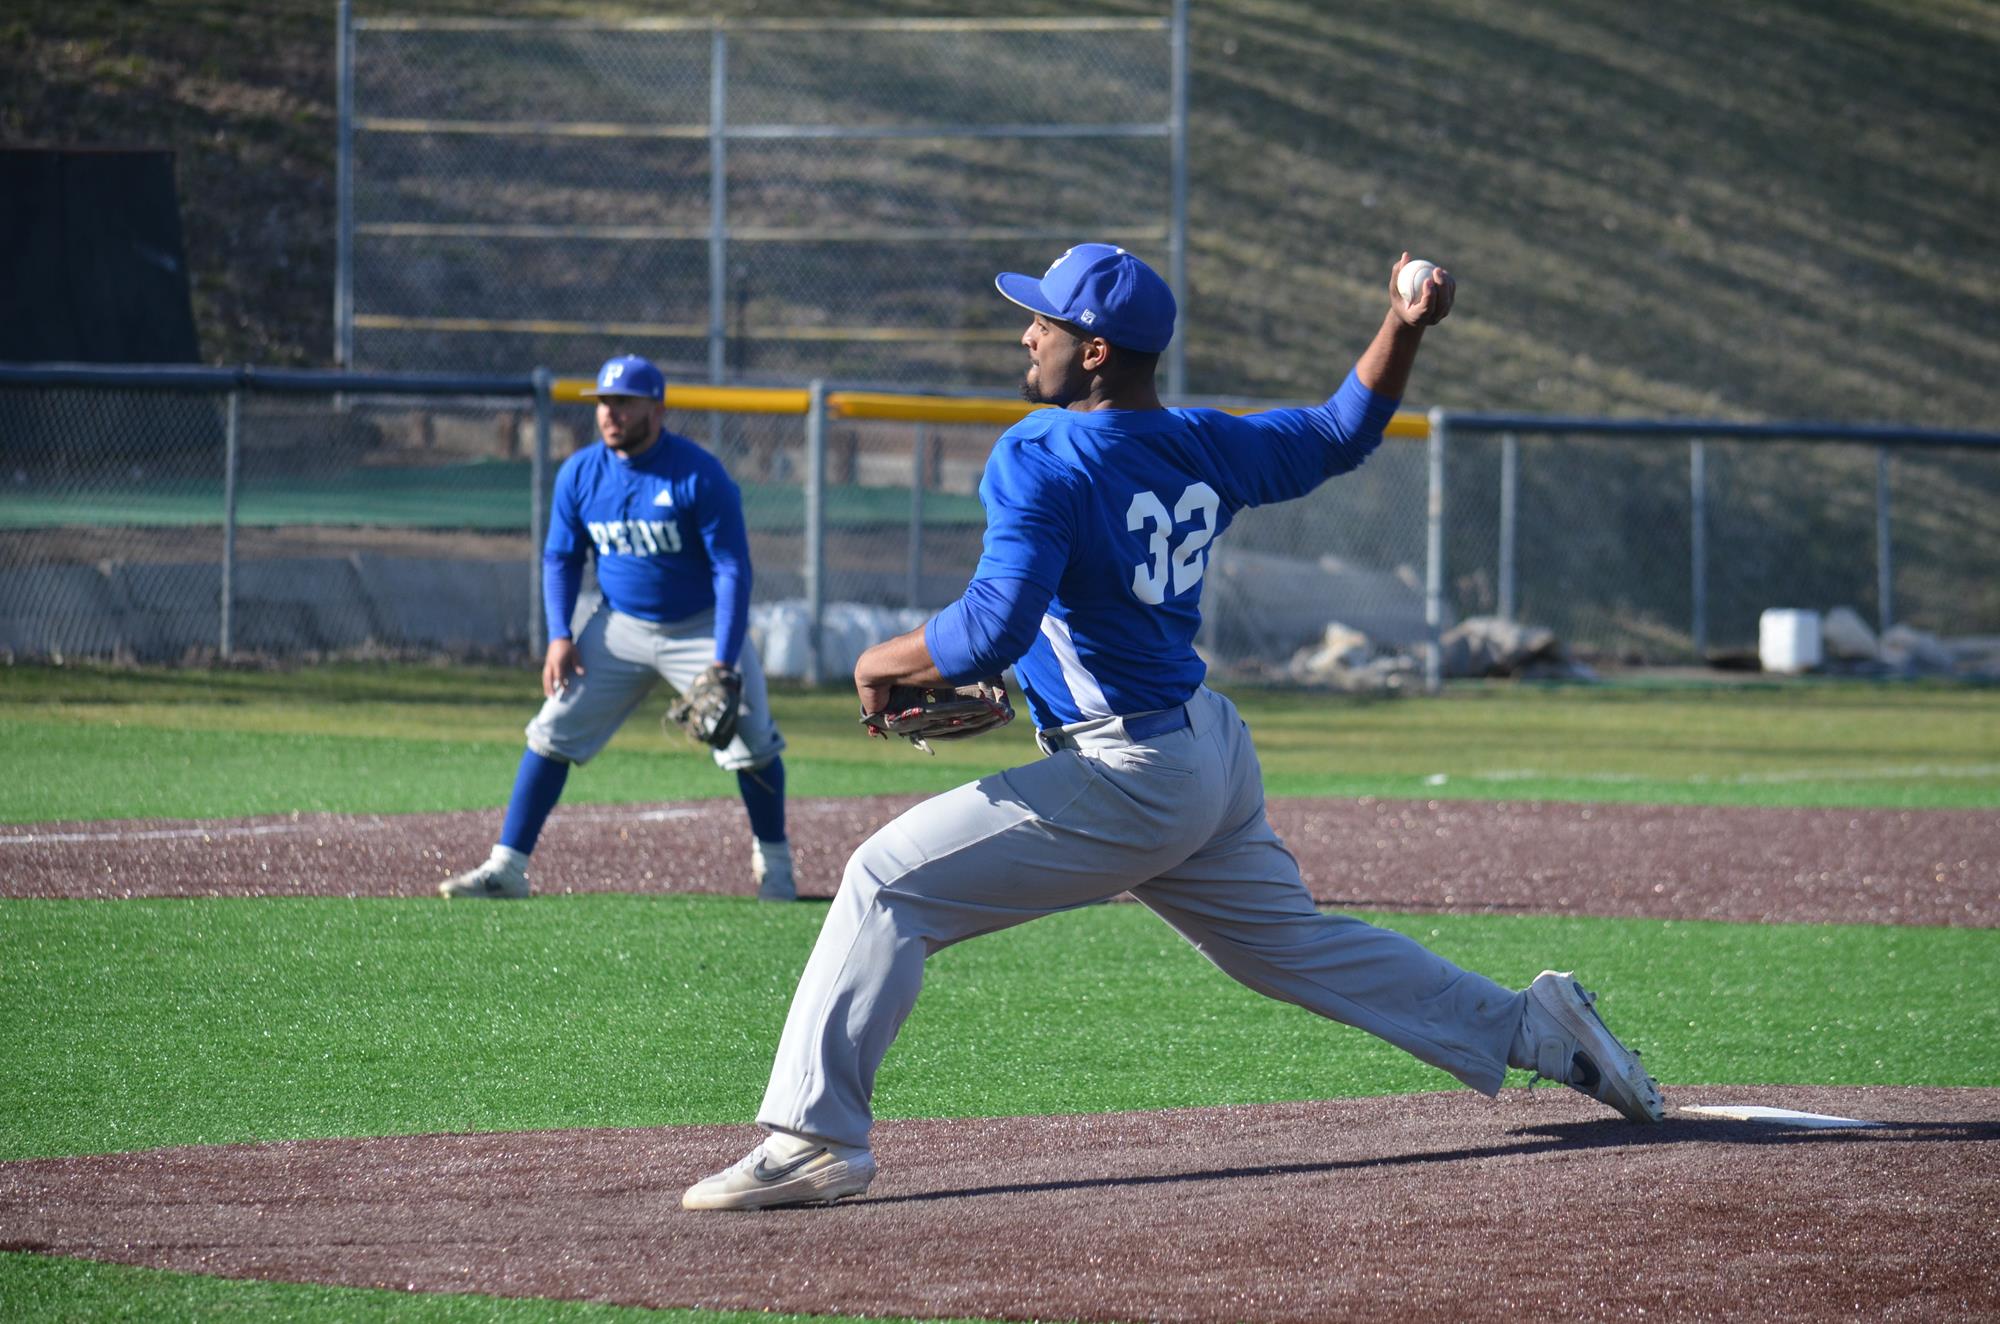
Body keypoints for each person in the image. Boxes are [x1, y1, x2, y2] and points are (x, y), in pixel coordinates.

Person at [682, 245, 1663, 1211]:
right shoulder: (1200, 440)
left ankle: (812, 1138)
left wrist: (878, 662)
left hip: (1129, 771)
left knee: (883, 883)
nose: (1028, 333)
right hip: (1206, 748)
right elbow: (1339, 431)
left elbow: (991, 629)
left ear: (1096, 350)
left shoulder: (1040, 450)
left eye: (1047, 321)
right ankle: (1533, 1029)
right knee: (1287, 948)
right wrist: (1399, 327)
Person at [433, 354, 796, 902]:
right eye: (604, 402)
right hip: (619, 626)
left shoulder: (699, 473)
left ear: (657, 407)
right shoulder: (581, 472)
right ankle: (507, 867)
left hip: (699, 627)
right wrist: (560, 635)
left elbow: (731, 569)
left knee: (752, 738)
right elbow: (560, 558)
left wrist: (723, 659)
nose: (610, 413)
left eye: (624, 402)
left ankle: (776, 867)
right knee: (551, 729)